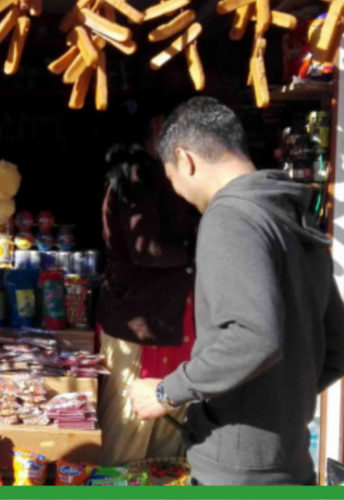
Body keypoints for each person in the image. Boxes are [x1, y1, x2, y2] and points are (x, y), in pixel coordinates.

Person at [129, 97, 344, 486]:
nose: (178, 191)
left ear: (185, 160)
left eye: (171, 179)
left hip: (235, 468)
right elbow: (339, 350)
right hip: (291, 458)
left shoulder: (229, 217)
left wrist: (168, 391)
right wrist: (280, 398)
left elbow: (254, 337)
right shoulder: (290, 213)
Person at [97, 116, 200, 465]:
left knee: (161, 416)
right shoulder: (139, 175)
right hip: (143, 316)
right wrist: (196, 257)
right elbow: (146, 249)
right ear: (156, 126)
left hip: (156, 311)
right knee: (134, 418)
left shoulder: (148, 174)